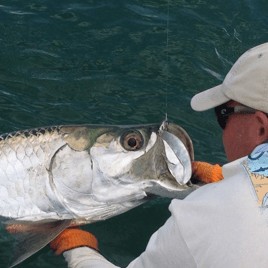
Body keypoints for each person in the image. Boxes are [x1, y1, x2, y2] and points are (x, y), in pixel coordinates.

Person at [50, 42, 268, 267]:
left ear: (260, 127)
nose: (223, 125)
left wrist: (77, 249)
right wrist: (232, 178)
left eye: (223, 114)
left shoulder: (202, 218)